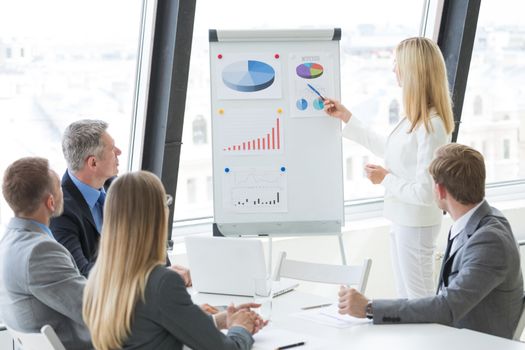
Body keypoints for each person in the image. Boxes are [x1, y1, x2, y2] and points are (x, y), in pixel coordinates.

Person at [338, 144, 524, 339]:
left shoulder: (489, 240)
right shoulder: (473, 221)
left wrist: (370, 308)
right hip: (455, 337)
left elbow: (447, 306)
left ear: (440, 190)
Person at [324, 37, 455, 298]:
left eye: (397, 63)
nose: (393, 69)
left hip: (415, 224)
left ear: (413, 70)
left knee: (418, 300)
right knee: (405, 297)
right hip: (402, 219)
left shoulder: (432, 125)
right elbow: (391, 151)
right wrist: (347, 117)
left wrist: (384, 179)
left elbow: (425, 192)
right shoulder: (415, 119)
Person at [83, 171, 265, 350]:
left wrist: (222, 320)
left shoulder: (98, 279)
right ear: (155, 216)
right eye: (166, 202)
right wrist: (241, 329)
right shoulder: (161, 282)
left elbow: (152, 330)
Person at [50, 119, 190, 284]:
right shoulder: (60, 210)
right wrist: (151, 278)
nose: (119, 151)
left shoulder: (119, 188)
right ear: (93, 162)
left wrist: (166, 274)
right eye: (112, 149)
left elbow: (151, 245)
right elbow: (83, 275)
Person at [0, 157, 92, 349]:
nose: (64, 193)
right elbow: (93, 307)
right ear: (51, 202)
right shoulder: (39, 252)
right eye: (60, 187)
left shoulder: (8, 241)